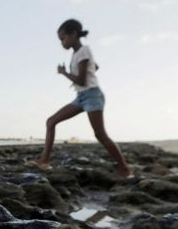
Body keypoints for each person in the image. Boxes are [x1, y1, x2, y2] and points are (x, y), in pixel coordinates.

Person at [31, 19, 131, 177]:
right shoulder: (78, 54)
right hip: (81, 97)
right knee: (51, 121)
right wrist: (89, 68)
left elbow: (81, 80)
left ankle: (124, 168)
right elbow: (95, 66)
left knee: (100, 134)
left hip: (92, 95)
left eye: (63, 38)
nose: (62, 43)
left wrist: (64, 73)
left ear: (74, 34)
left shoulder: (83, 51)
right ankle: (44, 161)